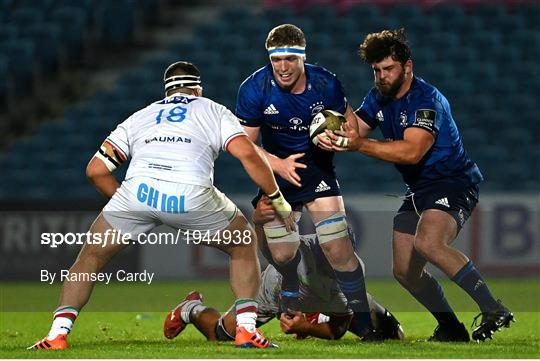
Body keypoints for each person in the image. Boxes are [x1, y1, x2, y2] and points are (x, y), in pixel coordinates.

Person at [28, 61, 296, 350]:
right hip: (189, 194)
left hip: (137, 191)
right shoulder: (213, 109)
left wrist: (128, 203)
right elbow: (248, 155)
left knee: (89, 258)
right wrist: (278, 199)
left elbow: (95, 170)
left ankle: (57, 334)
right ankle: (245, 331)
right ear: (198, 89)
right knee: (243, 242)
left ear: (166, 91)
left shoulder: (140, 116)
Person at [319, 29, 514, 342]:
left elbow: (412, 152)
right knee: (405, 272)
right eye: (377, 70)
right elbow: (356, 129)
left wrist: (358, 145)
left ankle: (493, 308)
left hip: (452, 182)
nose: (382, 76)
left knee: (429, 243)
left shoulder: (426, 100)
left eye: (389, 69)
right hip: (420, 190)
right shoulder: (378, 96)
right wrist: (334, 112)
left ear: (407, 67)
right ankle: (451, 328)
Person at [235, 23, 377, 338]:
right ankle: (288, 281)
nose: (283, 67)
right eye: (276, 60)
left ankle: (365, 323)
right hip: (276, 175)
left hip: (317, 171)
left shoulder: (326, 84)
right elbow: (244, 146)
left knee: (338, 249)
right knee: (283, 255)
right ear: (269, 58)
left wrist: (338, 139)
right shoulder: (253, 89)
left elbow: (351, 129)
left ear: (302, 57)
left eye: (290, 59)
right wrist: (279, 164)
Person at [163, 197, 404, 342]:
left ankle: (313, 316)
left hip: (322, 296)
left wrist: (307, 326)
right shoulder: (295, 261)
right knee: (220, 334)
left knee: (393, 333)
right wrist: (258, 224)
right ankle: (190, 309)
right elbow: (269, 252)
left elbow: (337, 329)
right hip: (275, 292)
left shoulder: (351, 273)